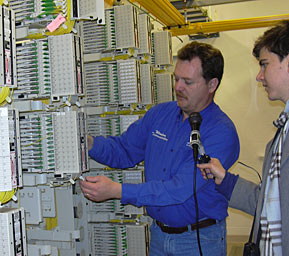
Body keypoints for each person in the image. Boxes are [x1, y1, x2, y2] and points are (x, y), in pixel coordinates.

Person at [80, 41, 240, 255]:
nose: (178, 87)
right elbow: (125, 150)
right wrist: (87, 143)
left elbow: (179, 189)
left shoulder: (221, 132)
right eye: (176, 78)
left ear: (212, 85)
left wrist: (118, 191)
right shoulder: (159, 115)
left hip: (198, 240)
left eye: (188, 82)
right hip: (158, 235)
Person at [198, 21, 289, 256]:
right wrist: (225, 181)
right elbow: (273, 203)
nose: (259, 76)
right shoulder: (288, 125)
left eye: (264, 65)